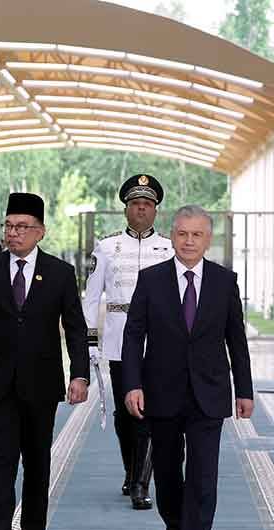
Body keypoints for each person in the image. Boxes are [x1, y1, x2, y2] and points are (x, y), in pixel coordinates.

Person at [122, 205, 253, 530]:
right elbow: (133, 337)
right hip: (161, 393)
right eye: (182, 234)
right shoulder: (150, 280)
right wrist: (132, 384)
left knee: (203, 474)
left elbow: (236, 341)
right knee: (165, 472)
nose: (189, 241)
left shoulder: (225, 281)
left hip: (208, 394)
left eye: (197, 234)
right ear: (172, 236)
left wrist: (243, 390)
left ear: (208, 239)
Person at [0, 192, 89, 530]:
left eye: (22, 227)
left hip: (42, 383)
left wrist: (79, 374)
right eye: (9, 226)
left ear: (40, 232)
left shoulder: (61, 273)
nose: (13, 233)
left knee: (37, 461)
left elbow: (76, 328)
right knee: (3, 459)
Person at [83, 174, 173, 509]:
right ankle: (130, 468)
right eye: (135, 204)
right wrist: (90, 341)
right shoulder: (107, 248)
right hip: (120, 339)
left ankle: (140, 483)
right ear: (126, 209)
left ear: (155, 211)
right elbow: (92, 299)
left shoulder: (168, 248)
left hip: (159, 342)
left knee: (148, 413)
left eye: (147, 204)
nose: (141, 210)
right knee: (125, 414)